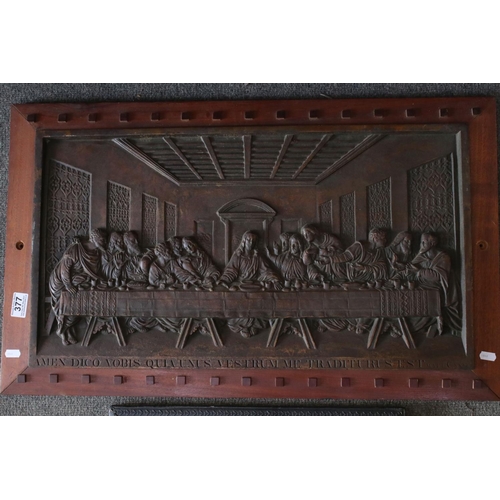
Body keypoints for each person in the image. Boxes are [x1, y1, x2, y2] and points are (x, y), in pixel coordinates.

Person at [48, 229, 106, 345]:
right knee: (70, 305)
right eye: (102, 239)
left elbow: (92, 273)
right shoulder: (75, 249)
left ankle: (67, 331)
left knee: (79, 305)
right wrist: (68, 285)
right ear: (93, 238)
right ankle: (62, 331)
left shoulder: (95, 252)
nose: (104, 242)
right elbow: (65, 269)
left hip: (78, 282)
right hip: (62, 282)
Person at [219, 231, 282, 337]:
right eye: (248, 240)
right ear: (244, 241)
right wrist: (224, 280)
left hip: (256, 286)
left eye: (253, 241)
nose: (251, 243)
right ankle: (243, 325)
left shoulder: (257, 257)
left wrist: (274, 279)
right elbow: (231, 271)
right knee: (239, 303)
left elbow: (266, 271)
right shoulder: (238, 256)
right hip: (240, 286)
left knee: (259, 302)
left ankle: (254, 323)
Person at [407, 233, 461, 334]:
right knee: (411, 296)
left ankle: (421, 325)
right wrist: (419, 254)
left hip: (440, 288)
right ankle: (411, 325)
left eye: (424, 242)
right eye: (421, 242)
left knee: (423, 297)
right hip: (424, 285)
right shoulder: (423, 255)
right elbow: (410, 268)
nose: (422, 245)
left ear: (432, 243)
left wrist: (419, 271)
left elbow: (437, 277)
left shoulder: (443, 257)